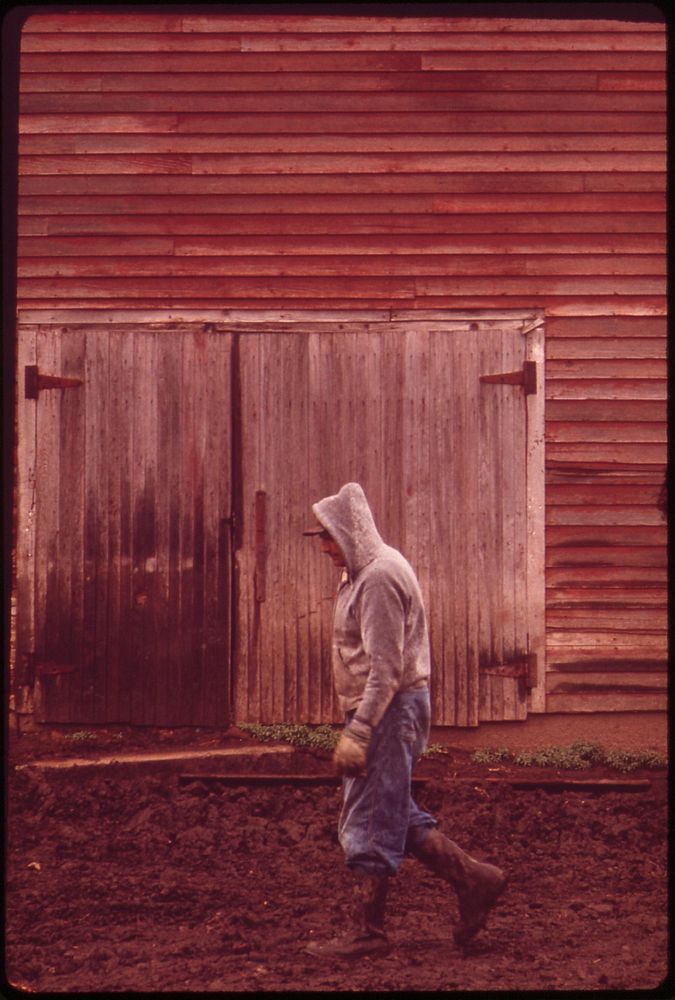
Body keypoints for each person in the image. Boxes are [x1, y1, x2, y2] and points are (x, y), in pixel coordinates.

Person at [303, 482, 506, 959]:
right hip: (389, 710)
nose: (325, 548)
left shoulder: (377, 579)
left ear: (349, 533)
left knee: (371, 815)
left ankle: (369, 933)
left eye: (329, 537)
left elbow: (387, 668)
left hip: (389, 711)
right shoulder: (366, 570)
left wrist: (360, 728)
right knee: (392, 808)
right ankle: (476, 879)